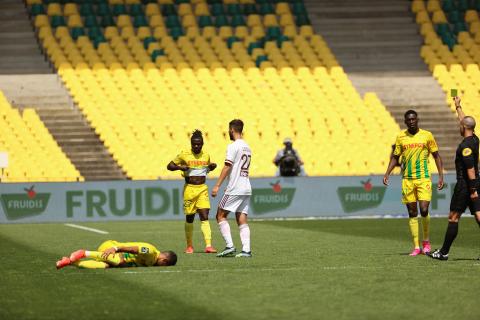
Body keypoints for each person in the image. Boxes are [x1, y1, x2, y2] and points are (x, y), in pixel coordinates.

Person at [383, 110, 444, 256]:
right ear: (405, 122)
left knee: (423, 209)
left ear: (417, 120)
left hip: (423, 178)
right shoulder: (401, 137)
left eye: (413, 119)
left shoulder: (427, 135)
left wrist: (441, 175)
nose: (411, 121)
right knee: (412, 212)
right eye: (408, 120)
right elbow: (395, 157)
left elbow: (436, 156)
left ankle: (426, 242)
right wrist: (387, 173)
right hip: (407, 179)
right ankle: (416, 247)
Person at [428, 96, 480, 260]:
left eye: (460, 125)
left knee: (453, 217)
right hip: (476, 183)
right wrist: (458, 107)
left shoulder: (465, 147)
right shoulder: (475, 139)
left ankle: (443, 252)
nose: (459, 125)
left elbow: (470, 169)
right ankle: (443, 251)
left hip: (466, 186)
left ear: (463, 127)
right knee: (479, 216)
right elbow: (465, 122)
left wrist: (472, 191)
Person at [167, 129, 217, 254]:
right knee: (190, 218)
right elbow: (169, 166)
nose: (196, 146)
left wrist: (211, 167)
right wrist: (180, 167)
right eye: (194, 144)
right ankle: (189, 246)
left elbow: (207, 168)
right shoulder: (184, 154)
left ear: (202, 144)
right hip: (189, 189)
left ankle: (209, 245)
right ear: (191, 144)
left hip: (202, 189)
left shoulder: (206, 156)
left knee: (204, 216)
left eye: (198, 144)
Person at [211, 119, 252, 258]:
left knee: (220, 215)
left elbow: (227, 166)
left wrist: (217, 185)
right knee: (241, 218)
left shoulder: (233, 146)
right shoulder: (247, 146)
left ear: (232, 130)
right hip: (246, 187)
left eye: (229, 130)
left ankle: (229, 246)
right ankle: (246, 250)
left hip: (235, 187)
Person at [56, 240, 177, 269]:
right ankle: (84, 252)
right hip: (110, 247)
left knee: (105, 266)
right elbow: (134, 249)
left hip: (113, 255)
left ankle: (70, 261)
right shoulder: (151, 251)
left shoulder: (153, 261)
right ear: (164, 261)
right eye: (164, 265)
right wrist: (115, 248)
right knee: (119, 261)